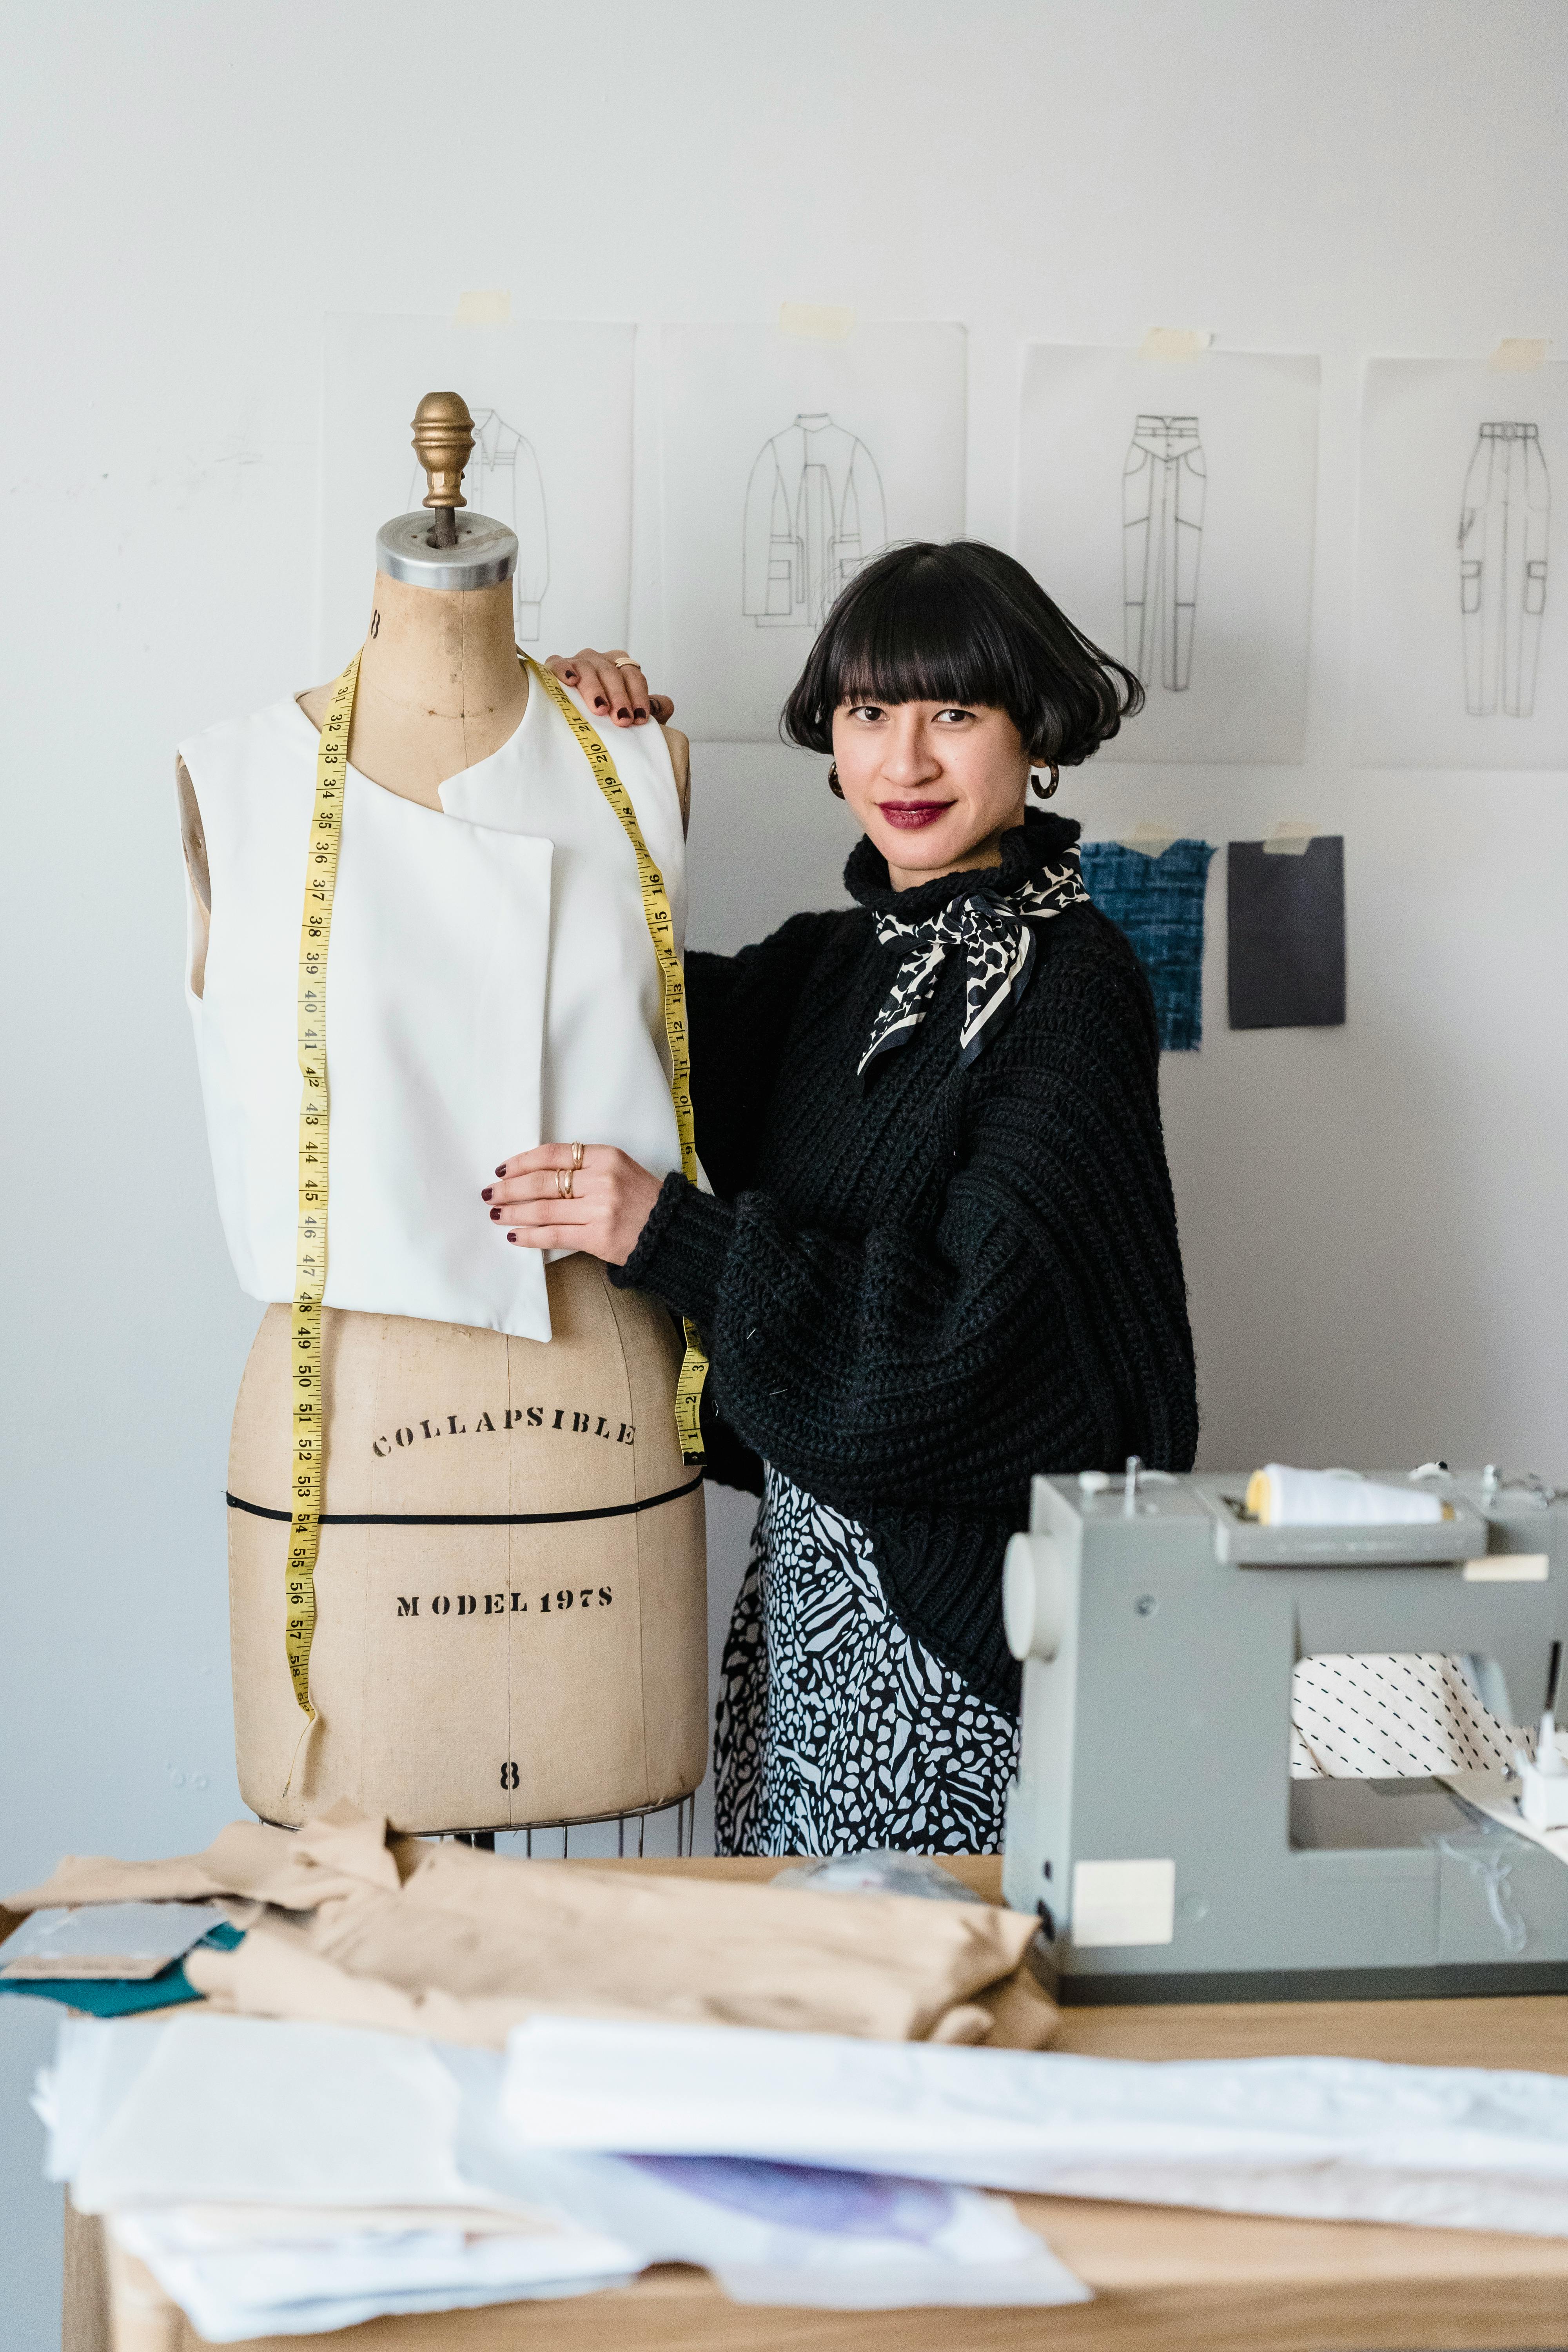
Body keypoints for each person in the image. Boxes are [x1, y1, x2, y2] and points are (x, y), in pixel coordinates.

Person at [483, 541, 1198, 1856]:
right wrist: (576, 752)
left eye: (954, 714)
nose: (905, 762)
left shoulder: (1072, 987)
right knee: (797, 2023)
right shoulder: (832, 970)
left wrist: (668, 1236)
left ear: (1034, 730)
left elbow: (991, 1354)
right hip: (806, 1623)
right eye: (870, 713)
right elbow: (580, 1008)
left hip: (956, 1650)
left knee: (919, 2033)